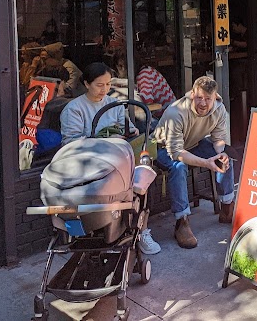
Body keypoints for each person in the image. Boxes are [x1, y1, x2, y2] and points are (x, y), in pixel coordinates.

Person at [60, 62, 161, 255]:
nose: (104, 89)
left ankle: (141, 230)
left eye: (108, 84)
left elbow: (129, 128)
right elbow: (69, 144)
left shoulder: (113, 104)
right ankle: (112, 232)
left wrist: (131, 132)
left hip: (118, 161)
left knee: (145, 177)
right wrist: (103, 140)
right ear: (87, 83)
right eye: (99, 85)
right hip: (89, 164)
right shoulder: (74, 109)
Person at [155, 76, 234, 249]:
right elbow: (176, 152)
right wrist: (206, 163)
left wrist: (220, 154)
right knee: (178, 167)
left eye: (208, 99)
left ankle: (227, 208)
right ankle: (181, 221)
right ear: (192, 94)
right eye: (199, 98)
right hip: (163, 148)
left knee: (225, 158)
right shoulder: (175, 112)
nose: (203, 103)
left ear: (215, 97)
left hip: (193, 143)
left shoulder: (219, 109)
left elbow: (218, 139)